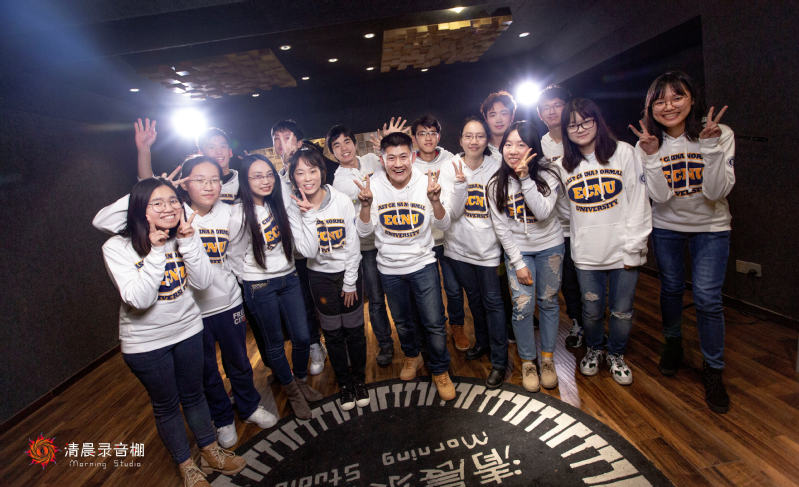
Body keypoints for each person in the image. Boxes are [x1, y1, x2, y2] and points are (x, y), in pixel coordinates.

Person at [93, 155, 278, 450]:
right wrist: (156, 190)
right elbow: (103, 221)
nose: (209, 186)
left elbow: (237, 255)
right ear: (185, 185)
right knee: (206, 371)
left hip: (227, 302)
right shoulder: (172, 213)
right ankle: (222, 419)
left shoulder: (231, 212)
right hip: (192, 312)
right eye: (200, 180)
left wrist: (238, 287)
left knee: (239, 361)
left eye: (215, 180)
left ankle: (249, 406)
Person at [99, 177, 245, 487]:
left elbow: (203, 282)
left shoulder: (184, 234)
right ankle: (186, 465)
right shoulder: (117, 247)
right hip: (146, 343)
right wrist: (156, 252)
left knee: (194, 395)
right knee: (166, 405)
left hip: (188, 329)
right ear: (140, 209)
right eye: (157, 203)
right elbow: (140, 299)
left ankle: (210, 451)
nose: (168, 208)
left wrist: (189, 242)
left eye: (173, 201)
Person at [629, 70, 734, 413]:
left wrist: (711, 148)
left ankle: (713, 369)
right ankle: (673, 342)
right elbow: (660, 197)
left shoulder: (719, 134)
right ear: (650, 107)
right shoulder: (647, 143)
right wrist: (651, 155)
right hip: (667, 226)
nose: (669, 106)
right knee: (671, 288)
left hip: (711, 227)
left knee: (707, 298)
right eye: (660, 101)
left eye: (678, 97)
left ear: (692, 99)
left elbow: (716, 192)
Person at [554, 98, 652, 386]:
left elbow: (639, 203)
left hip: (623, 251)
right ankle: (595, 349)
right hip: (586, 254)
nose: (580, 128)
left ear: (597, 121)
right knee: (592, 310)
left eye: (586, 121)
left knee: (622, 311)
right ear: (566, 131)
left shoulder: (623, 152)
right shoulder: (563, 166)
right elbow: (564, 209)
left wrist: (634, 247)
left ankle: (616, 354)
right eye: (572, 125)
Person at [355, 132, 456, 400]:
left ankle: (440, 369)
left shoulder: (426, 182)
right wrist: (365, 206)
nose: (398, 163)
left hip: (423, 264)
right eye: (391, 158)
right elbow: (364, 232)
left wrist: (435, 201)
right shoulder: (373, 185)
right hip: (389, 269)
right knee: (402, 322)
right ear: (382, 160)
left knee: (433, 322)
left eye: (403, 157)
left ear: (412, 157)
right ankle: (412, 356)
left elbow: (444, 225)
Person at [227, 154, 324, 420]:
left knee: (302, 337)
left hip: (289, 278)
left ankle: (299, 380)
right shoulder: (238, 213)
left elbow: (303, 245)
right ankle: (292, 392)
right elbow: (234, 256)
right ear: (246, 181)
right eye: (257, 176)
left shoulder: (281, 204)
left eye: (269, 174)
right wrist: (249, 279)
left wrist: (309, 216)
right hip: (259, 285)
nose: (265, 180)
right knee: (274, 344)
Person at [288, 148, 369, 411]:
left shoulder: (341, 200)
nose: (307, 178)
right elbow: (308, 252)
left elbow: (353, 243)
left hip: (348, 272)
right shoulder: (293, 208)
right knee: (333, 334)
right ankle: (344, 384)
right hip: (319, 277)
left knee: (354, 331)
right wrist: (309, 215)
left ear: (322, 172)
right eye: (300, 172)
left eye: (312, 170)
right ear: (293, 177)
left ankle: (359, 381)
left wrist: (349, 281)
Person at [488, 121, 564, 392]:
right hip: (518, 251)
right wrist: (518, 263)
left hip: (550, 247)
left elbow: (542, 213)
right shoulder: (495, 183)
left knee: (548, 302)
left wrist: (524, 178)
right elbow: (501, 228)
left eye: (520, 144)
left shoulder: (550, 173)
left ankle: (548, 360)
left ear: (533, 148)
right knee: (522, 308)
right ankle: (528, 361)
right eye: (508, 144)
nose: (513, 150)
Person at [438, 116, 508, 388]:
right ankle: (482, 343)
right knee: (475, 302)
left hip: (489, 250)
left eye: (479, 136)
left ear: (487, 139)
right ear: (461, 140)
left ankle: (500, 361)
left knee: (493, 303)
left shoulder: (497, 166)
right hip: (458, 249)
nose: (474, 141)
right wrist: (459, 185)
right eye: (469, 136)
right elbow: (452, 214)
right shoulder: (450, 167)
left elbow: (502, 210)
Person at [328, 124, 394, 366]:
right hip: (366, 246)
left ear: (355, 143)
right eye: (336, 145)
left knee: (397, 294)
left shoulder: (371, 160)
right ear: (332, 152)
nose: (343, 148)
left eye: (347, 141)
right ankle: (385, 344)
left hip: (390, 237)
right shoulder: (339, 182)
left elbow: (393, 170)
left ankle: (413, 341)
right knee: (376, 299)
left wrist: (385, 145)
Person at [270, 120, 330, 375]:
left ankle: (336, 342)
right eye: (276, 139)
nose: (281, 144)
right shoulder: (276, 180)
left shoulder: (314, 171)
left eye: (286, 137)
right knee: (303, 304)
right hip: (294, 255)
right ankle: (315, 345)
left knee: (326, 301)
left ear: (299, 141)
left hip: (323, 250)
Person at [409, 115, 468, 351]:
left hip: (449, 236)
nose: (428, 138)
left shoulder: (451, 160)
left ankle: (458, 327)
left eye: (432, 133)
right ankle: (437, 328)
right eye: (422, 133)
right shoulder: (409, 163)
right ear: (414, 138)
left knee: (453, 288)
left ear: (439, 136)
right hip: (423, 240)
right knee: (430, 291)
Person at [537, 85, 584, 349]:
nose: (552, 111)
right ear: (540, 113)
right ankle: (578, 322)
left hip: (586, 221)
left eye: (557, 105)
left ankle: (595, 325)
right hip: (557, 227)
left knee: (589, 278)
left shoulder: (580, 136)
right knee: (568, 280)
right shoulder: (539, 144)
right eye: (546, 107)